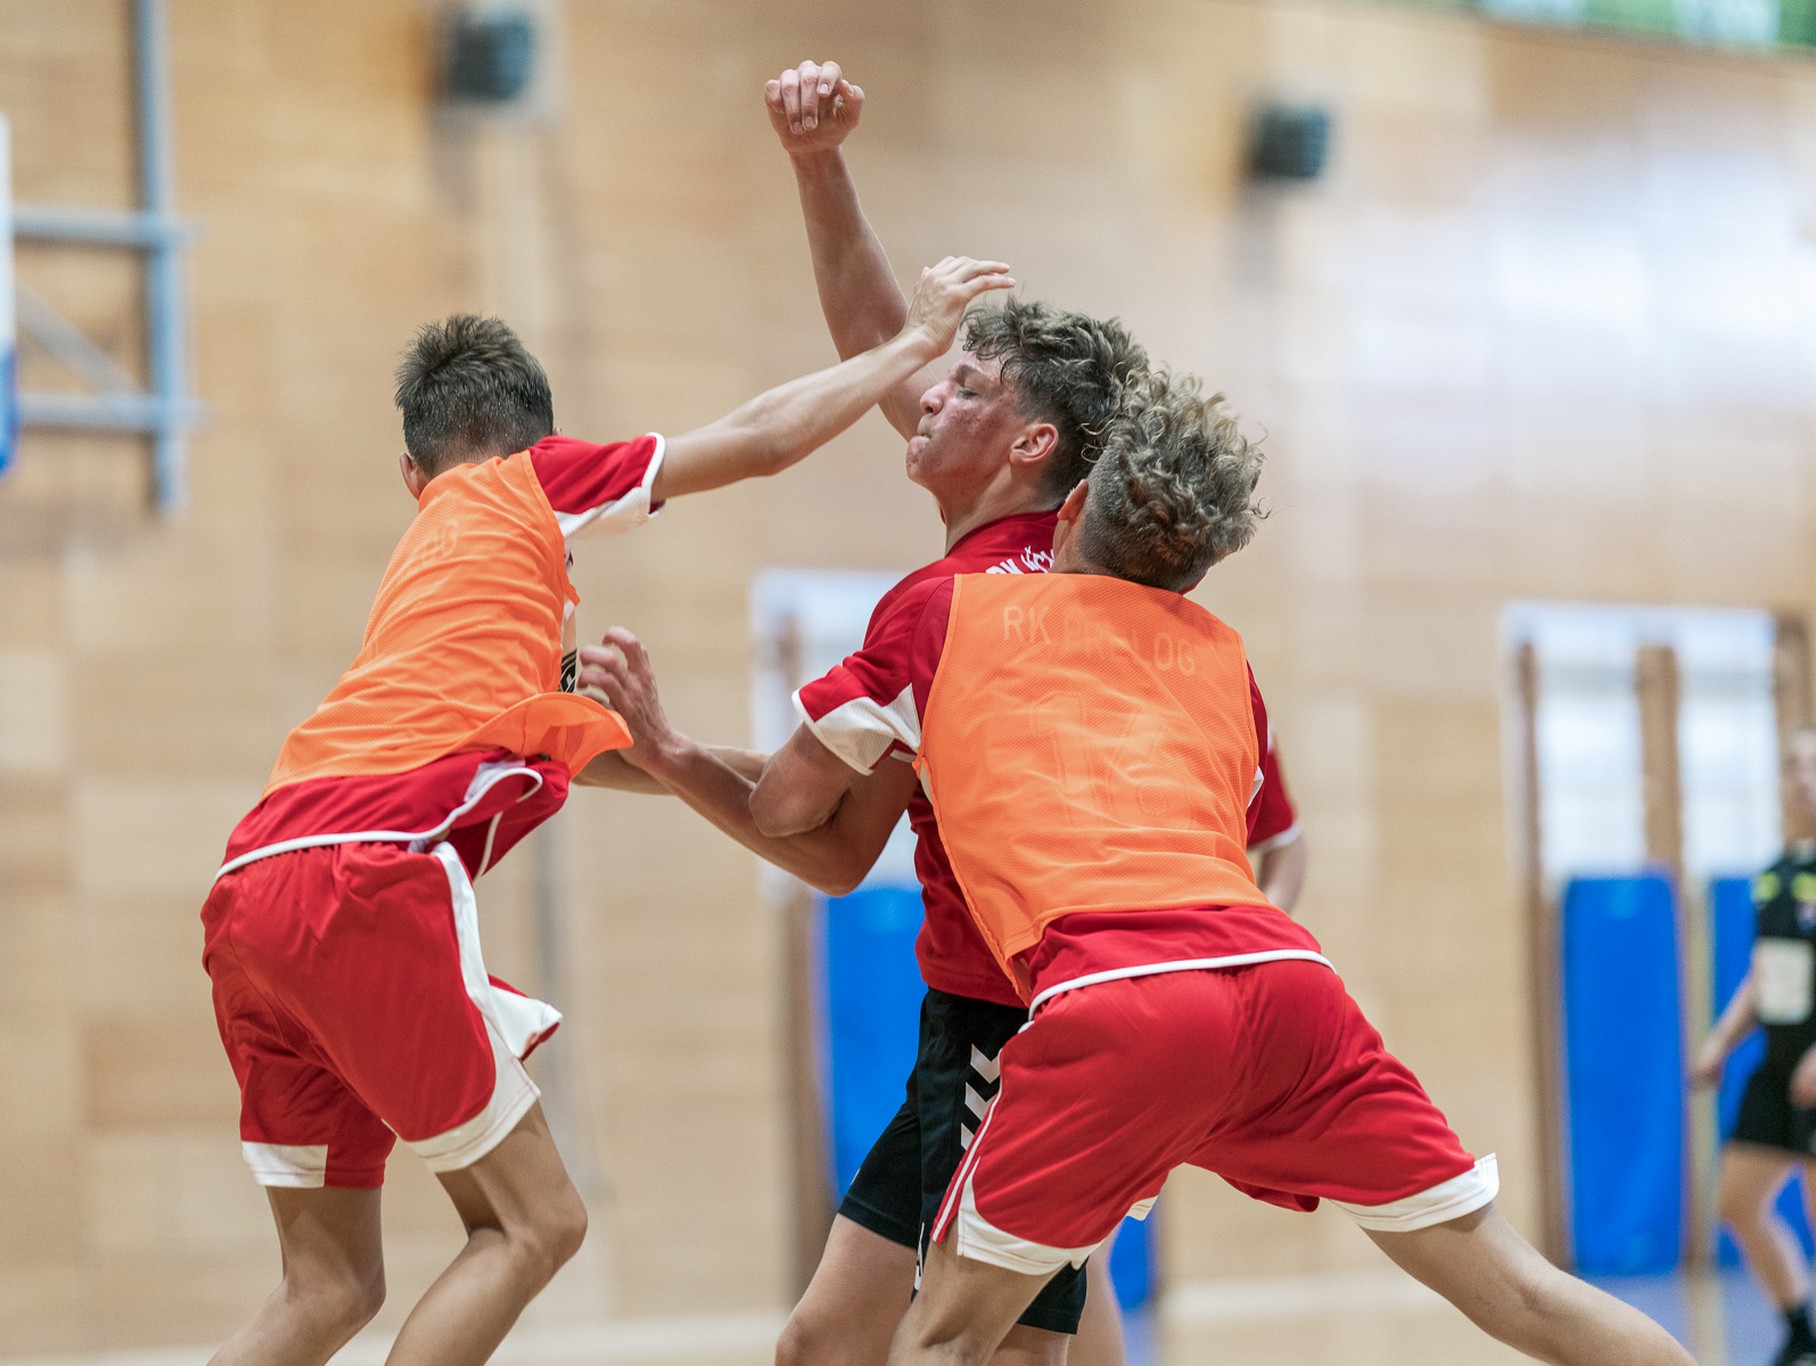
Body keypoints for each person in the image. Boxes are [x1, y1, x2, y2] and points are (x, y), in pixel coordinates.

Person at [719, 368, 1694, 1366]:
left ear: (1077, 505)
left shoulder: (945, 616)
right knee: (1521, 1292)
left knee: (949, 1343)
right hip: (1288, 988)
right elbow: (1247, 832)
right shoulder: (1225, 661)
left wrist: (652, 749)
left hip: (1111, 998)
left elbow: (786, 808)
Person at [199, 257, 1014, 1366]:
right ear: (542, 441)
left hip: (250, 887)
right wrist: (912, 344)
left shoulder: (443, 590)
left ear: (407, 471)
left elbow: (606, 754)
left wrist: (694, 757)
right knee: (537, 1221)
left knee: (326, 1286)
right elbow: (763, 437)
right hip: (364, 874)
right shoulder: (522, 486)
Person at [763, 60, 1313, 1366]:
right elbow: (879, 336)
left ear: (1030, 448)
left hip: (1036, 1013)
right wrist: (818, 167)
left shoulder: (1040, 594)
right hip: (1003, 1007)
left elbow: (808, 816)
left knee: (954, 1345)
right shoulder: (1004, 551)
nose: (928, 388)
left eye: (967, 385)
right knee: (958, 1332)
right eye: (937, 384)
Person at [1693, 726, 1816, 1366]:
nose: (1801, 777)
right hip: (1777, 1066)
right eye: (1792, 765)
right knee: (1737, 1202)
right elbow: (1763, 974)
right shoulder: (1776, 874)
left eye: (1812, 766)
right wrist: (1719, 1040)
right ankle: (1800, 1328)